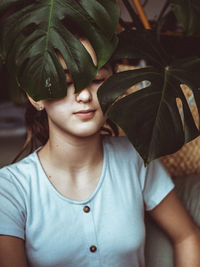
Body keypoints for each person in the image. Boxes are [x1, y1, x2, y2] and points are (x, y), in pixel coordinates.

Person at [0, 37, 199, 267]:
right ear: (36, 97)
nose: (84, 95)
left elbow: (187, 236)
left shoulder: (134, 159)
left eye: (97, 79)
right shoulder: (10, 188)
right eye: (66, 81)